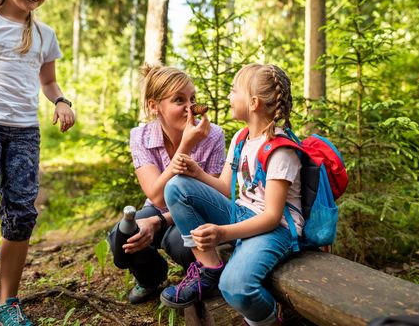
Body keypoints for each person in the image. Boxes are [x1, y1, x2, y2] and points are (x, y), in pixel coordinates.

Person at [160, 64, 304, 326]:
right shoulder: (241, 138)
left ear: (253, 102)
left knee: (236, 287)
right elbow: (226, 188)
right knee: (176, 186)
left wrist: (223, 233)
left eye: (233, 90)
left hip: (274, 229)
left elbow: (272, 217)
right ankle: (209, 268)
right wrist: (197, 173)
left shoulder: (281, 150)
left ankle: (271, 321)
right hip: (240, 213)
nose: (228, 96)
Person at [0, 0, 75, 325]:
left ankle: (7, 302)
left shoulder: (44, 34)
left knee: (20, 212)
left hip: (24, 131)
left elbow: (48, 81)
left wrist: (61, 101)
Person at [108, 64, 225, 304]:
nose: (190, 107)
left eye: (192, 98)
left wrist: (159, 221)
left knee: (179, 243)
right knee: (122, 237)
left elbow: (213, 196)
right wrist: (186, 147)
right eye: (179, 100)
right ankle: (151, 278)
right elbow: (157, 197)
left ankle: (200, 274)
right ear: (154, 106)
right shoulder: (140, 137)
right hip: (158, 207)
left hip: (195, 212)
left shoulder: (212, 135)